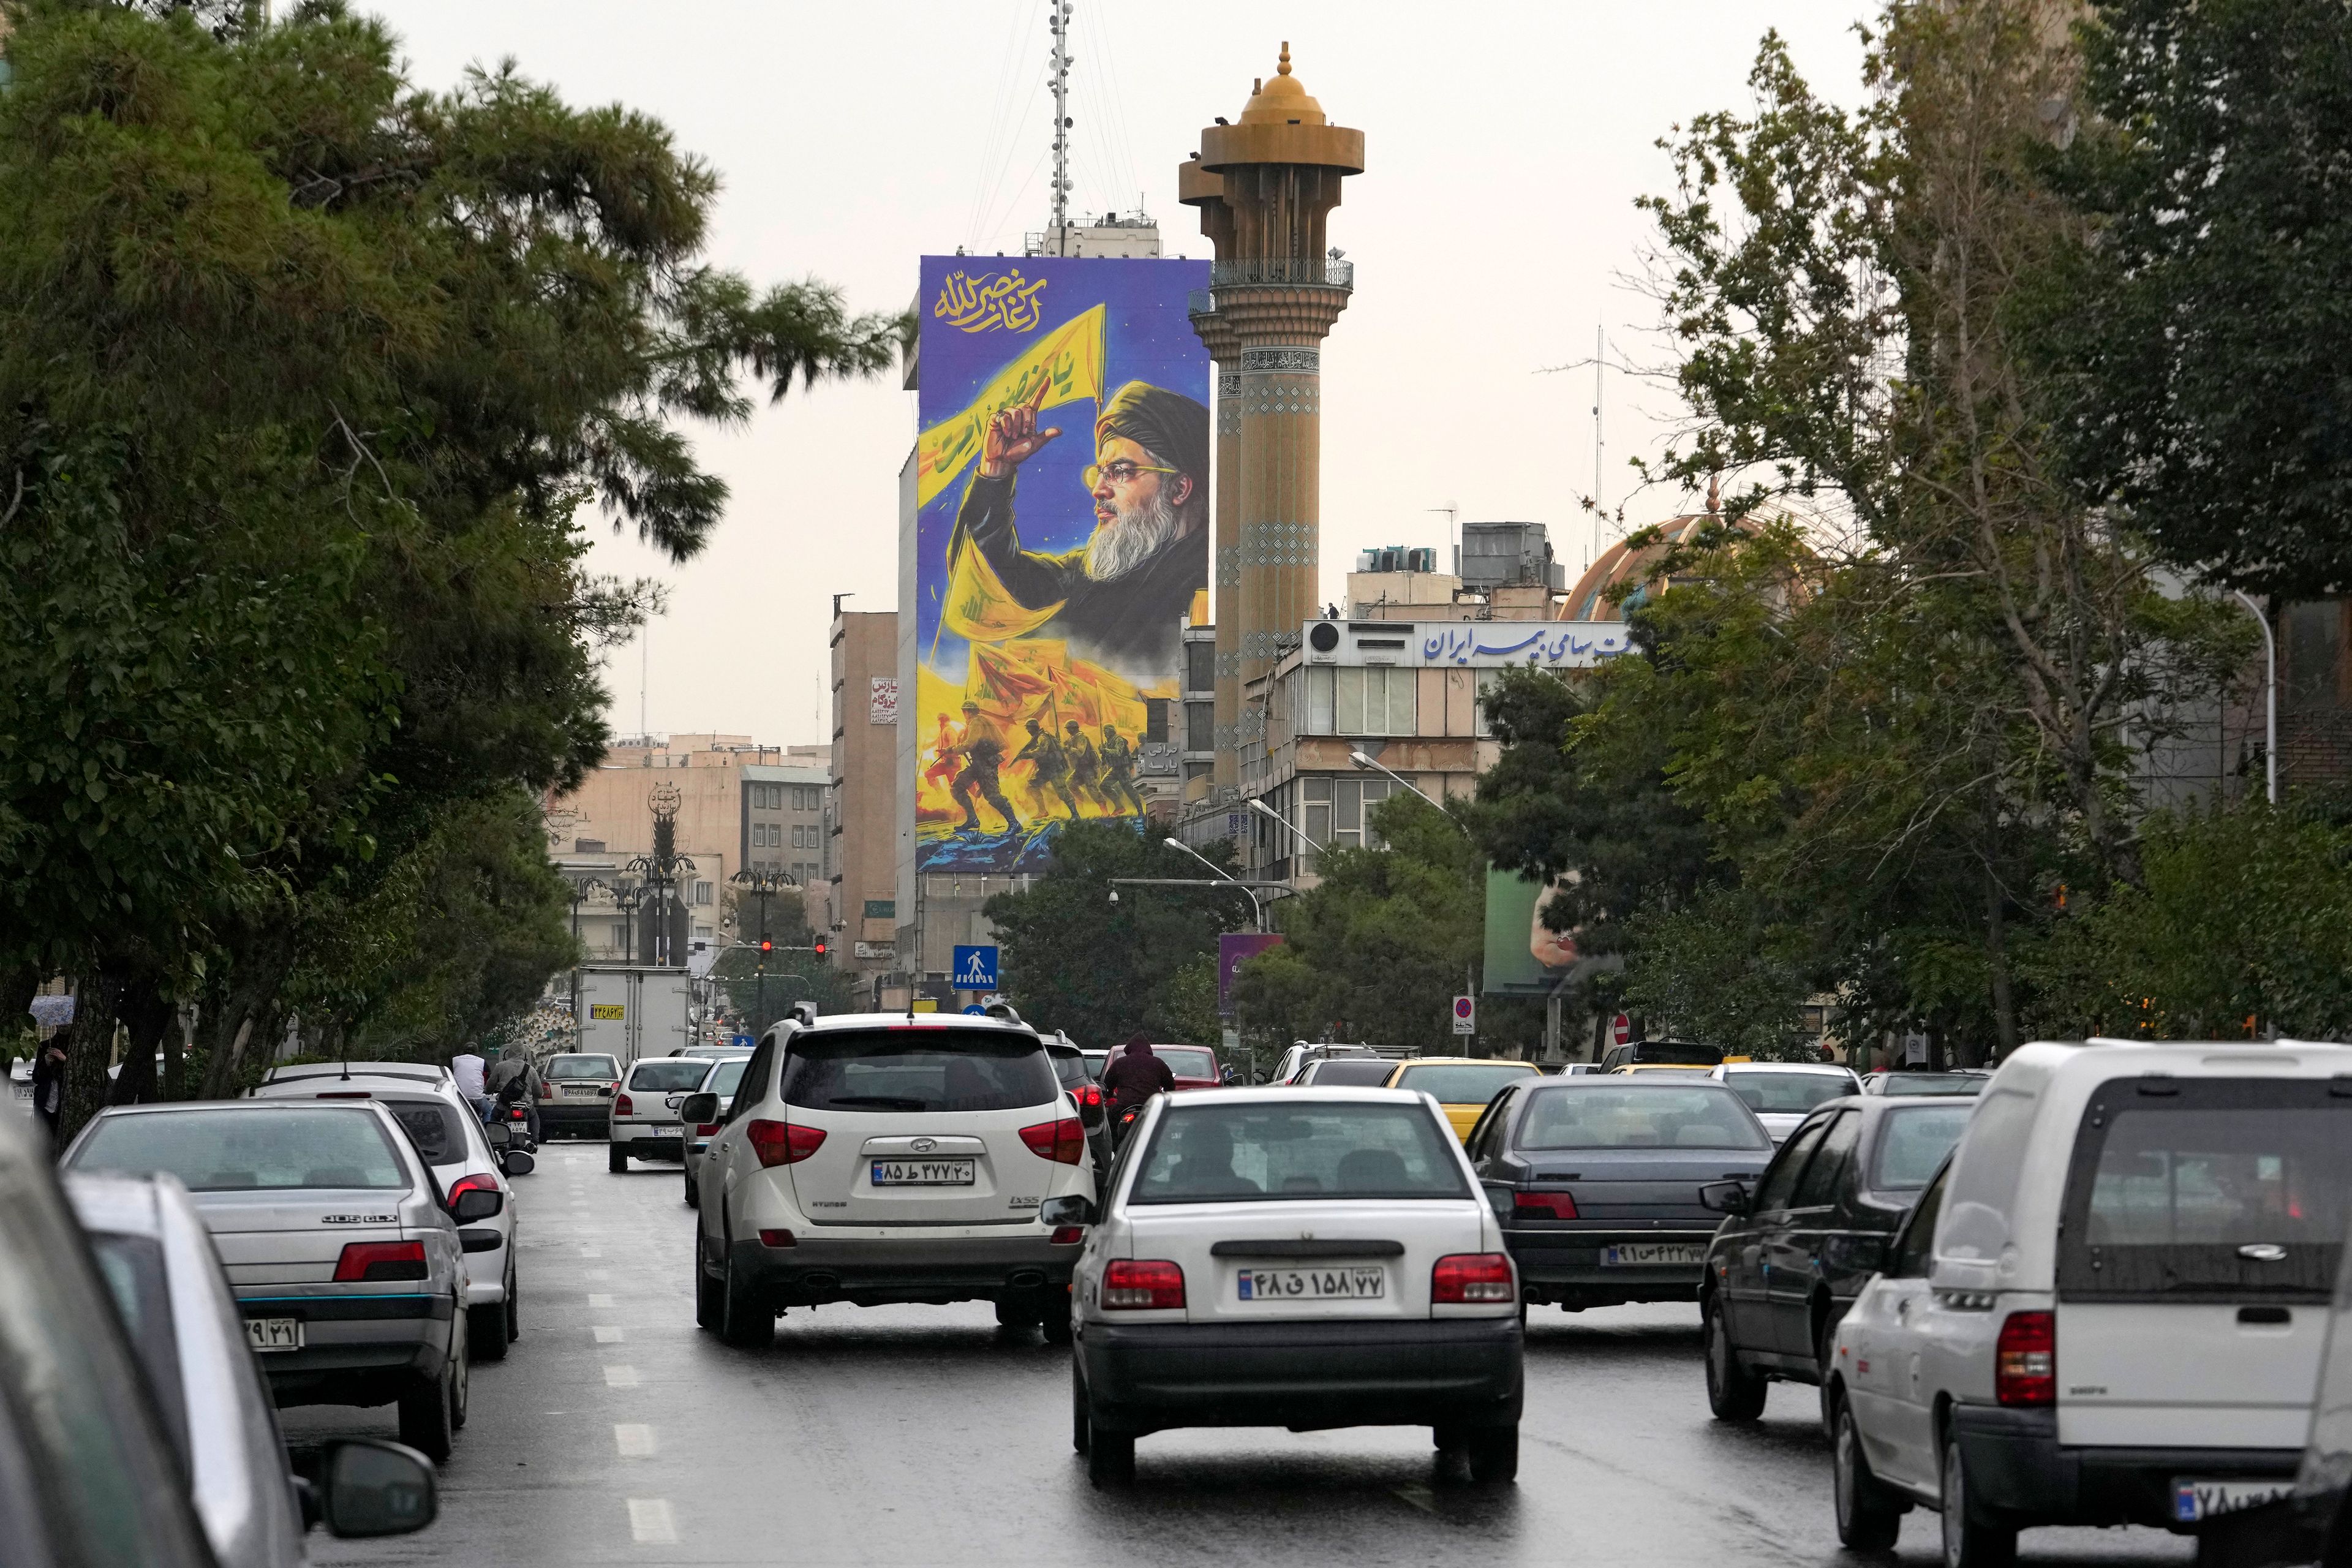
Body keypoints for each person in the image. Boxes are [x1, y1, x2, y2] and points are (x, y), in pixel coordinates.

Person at [948, 379, 1210, 682]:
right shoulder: (1086, 576)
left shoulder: (1218, 582)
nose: (1098, 490)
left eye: (1119, 472)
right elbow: (991, 583)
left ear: (1179, 488)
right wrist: (996, 471)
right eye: (1100, 473)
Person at [952, 701, 1021, 834]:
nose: (964, 714)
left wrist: (953, 750)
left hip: (985, 763)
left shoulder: (977, 722)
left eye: (965, 711)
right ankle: (973, 819)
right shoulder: (976, 722)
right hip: (978, 763)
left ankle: (1014, 823)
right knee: (958, 786)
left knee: (993, 796)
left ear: (968, 712)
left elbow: (970, 744)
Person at [1101, 1035, 1175, 1147]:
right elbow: (1170, 1086)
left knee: (1111, 1124)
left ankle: (1114, 1150)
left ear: (1129, 1049)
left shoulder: (1120, 1063)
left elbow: (1107, 1084)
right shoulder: (1158, 1063)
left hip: (1123, 1107)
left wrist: (1110, 1095)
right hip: (1151, 1105)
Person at [1014, 717, 1079, 820]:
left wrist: (1026, 755)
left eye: (1029, 728)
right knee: (1030, 786)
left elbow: (1041, 751)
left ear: (1034, 728)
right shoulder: (1038, 737)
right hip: (1044, 769)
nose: (1028, 731)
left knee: (1063, 792)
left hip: (1054, 768)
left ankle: (1075, 814)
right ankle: (1043, 811)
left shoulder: (1043, 737)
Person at [487, 1049, 544, 1144]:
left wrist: (488, 1090)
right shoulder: (531, 1069)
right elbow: (539, 1092)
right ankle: (534, 1141)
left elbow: (490, 1086)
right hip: (525, 1106)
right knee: (534, 1117)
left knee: (494, 1117)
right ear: (524, 1055)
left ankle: (491, 1141)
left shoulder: (500, 1066)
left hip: (505, 1105)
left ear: (509, 1054)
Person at [1098, 723, 1147, 816]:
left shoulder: (1118, 740)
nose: (1105, 733)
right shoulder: (1108, 742)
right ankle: (1119, 807)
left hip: (1123, 768)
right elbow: (1106, 757)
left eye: (1106, 731)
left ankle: (1140, 811)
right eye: (1104, 731)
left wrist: (1106, 750)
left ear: (1112, 731)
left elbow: (1118, 753)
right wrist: (1103, 753)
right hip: (1115, 769)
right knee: (1103, 786)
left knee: (1129, 790)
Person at [29, 1041, 65, 1151]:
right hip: (45, 1102)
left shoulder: (75, 1045)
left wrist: (65, 1060)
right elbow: (36, 1077)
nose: (63, 1027)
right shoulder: (46, 1045)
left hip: (63, 1103)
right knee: (43, 1141)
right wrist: (46, 1063)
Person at [448, 1045, 490, 1120]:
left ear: (464, 1051)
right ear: (477, 1052)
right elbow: (487, 1075)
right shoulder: (482, 1061)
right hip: (477, 1097)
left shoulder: (455, 1060)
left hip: (459, 1096)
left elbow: (449, 1075)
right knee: (488, 1111)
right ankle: (485, 1130)